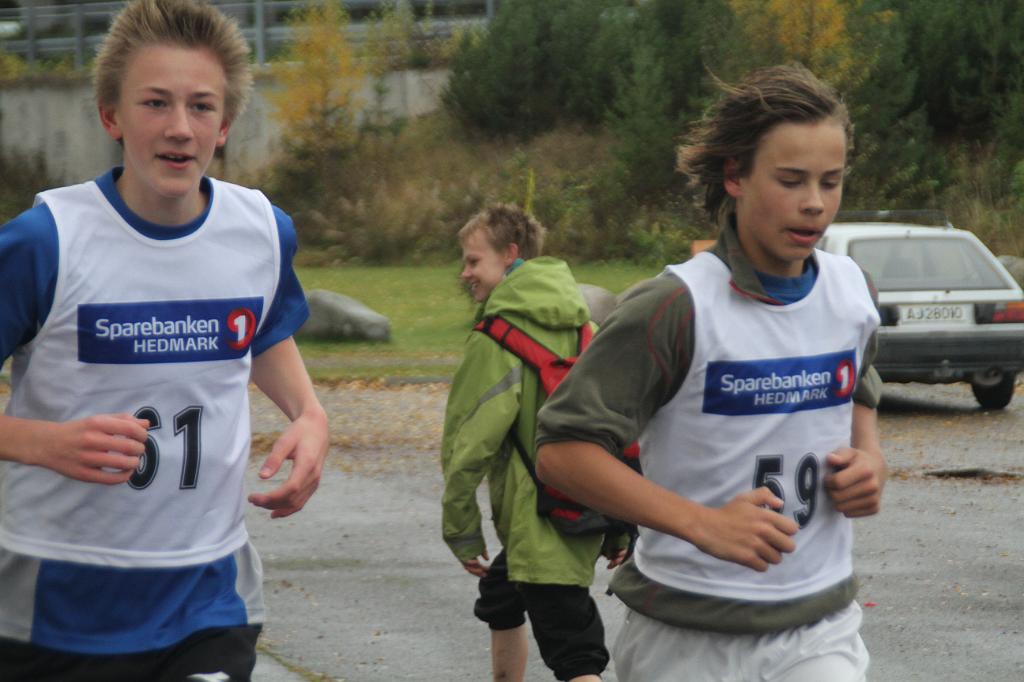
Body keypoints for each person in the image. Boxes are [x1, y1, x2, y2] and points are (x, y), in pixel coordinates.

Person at [0, 1, 328, 680]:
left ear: (224, 124)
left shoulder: (261, 231)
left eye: (201, 106)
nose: (180, 127)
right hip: (54, 600)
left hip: (207, 595)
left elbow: (260, 328)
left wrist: (310, 415)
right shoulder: (46, 242)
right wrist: (41, 442)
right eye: (155, 103)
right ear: (111, 116)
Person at [535, 64, 887, 682]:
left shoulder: (852, 289)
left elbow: (860, 382)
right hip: (687, 636)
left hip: (819, 627)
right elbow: (561, 453)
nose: (814, 202)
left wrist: (870, 458)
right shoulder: (674, 306)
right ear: (735, 176)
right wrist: (702, 524)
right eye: (791, 180)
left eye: (831, 182)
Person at [441, 204, 627, 682]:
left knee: (576, 656)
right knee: (501, 596)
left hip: (538, 520)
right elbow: (618, 429)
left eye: (473, 261)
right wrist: (620, 524)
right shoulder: (588, 330)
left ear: (510, 255)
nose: (465, 273)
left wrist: (460, 529)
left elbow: (467, 446)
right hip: (581, 506)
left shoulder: (495, 338)